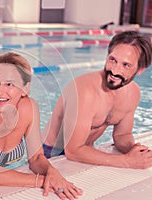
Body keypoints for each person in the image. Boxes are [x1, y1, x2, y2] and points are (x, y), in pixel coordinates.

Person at [0, 52, 83, 200]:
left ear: (25, 88)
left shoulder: (29, 108)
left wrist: (52, 172)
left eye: (9, 84)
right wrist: (45, 181)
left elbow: (36, 157)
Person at [42, 30, 152, 169]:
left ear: (141, 70)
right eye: (112, 60)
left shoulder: (133, 93)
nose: (115, 71)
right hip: (51, 153)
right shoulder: (85, 91)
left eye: (126, 65)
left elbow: (122, 135)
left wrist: (136, 152)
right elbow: (73, 150)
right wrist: (127, 161)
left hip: (86, 150)